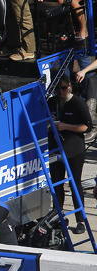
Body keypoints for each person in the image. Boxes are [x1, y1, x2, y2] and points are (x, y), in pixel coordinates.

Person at [47, 74, 91, 234]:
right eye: (57, 89)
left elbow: (87, 127)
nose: (60, 92)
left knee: (75, 185)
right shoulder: (51, 102)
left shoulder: (77, 102)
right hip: (55, 149)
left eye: (64, 88)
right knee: (57, 185)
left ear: (69, 87)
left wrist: (65, 126)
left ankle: (81, 220)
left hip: (74, 150)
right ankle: (57, 217)